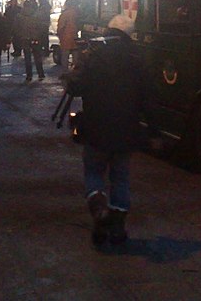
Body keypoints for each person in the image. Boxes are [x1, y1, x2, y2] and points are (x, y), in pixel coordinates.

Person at [61, 14, 149, 248]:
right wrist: (152, 128)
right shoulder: (137, 57)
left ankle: (99, 209)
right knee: (120, 177)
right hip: (126, 129)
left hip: (96, 127)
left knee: (93, 172)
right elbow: (148, 95)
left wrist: (69, 77)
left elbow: (76, 86)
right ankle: (118, 226)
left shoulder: (94, 55)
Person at [14, 0, 45, 82]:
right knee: (37, 56)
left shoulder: (19, 16)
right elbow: (40, 27)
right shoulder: (36, 15)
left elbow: (16, 28)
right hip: (35, 38)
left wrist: (19, 35)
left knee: (27, 58)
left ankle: (29, 75)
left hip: (25, 38)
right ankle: (41, 74)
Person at [56, 0, 80, 74]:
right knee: (75, 55)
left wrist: (59, 34)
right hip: (75, 36)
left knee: (65, 56)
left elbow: (61, 27)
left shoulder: (64, 14)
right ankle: (75, 71)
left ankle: (65, 72)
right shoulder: (77, 13)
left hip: (66, 37)